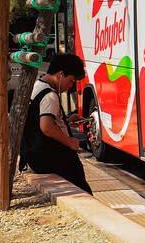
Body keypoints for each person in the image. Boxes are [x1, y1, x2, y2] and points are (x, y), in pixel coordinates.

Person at [19, 53, 92, 193]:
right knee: (83, 191)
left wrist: (66, 122)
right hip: (53, 156)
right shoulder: (50, 95)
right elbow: (46, 127)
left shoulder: (37, 85)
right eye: (71, 81)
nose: (70, 86)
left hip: (34, 153)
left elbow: (41, 120)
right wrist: (71, 142)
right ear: (61, 74)